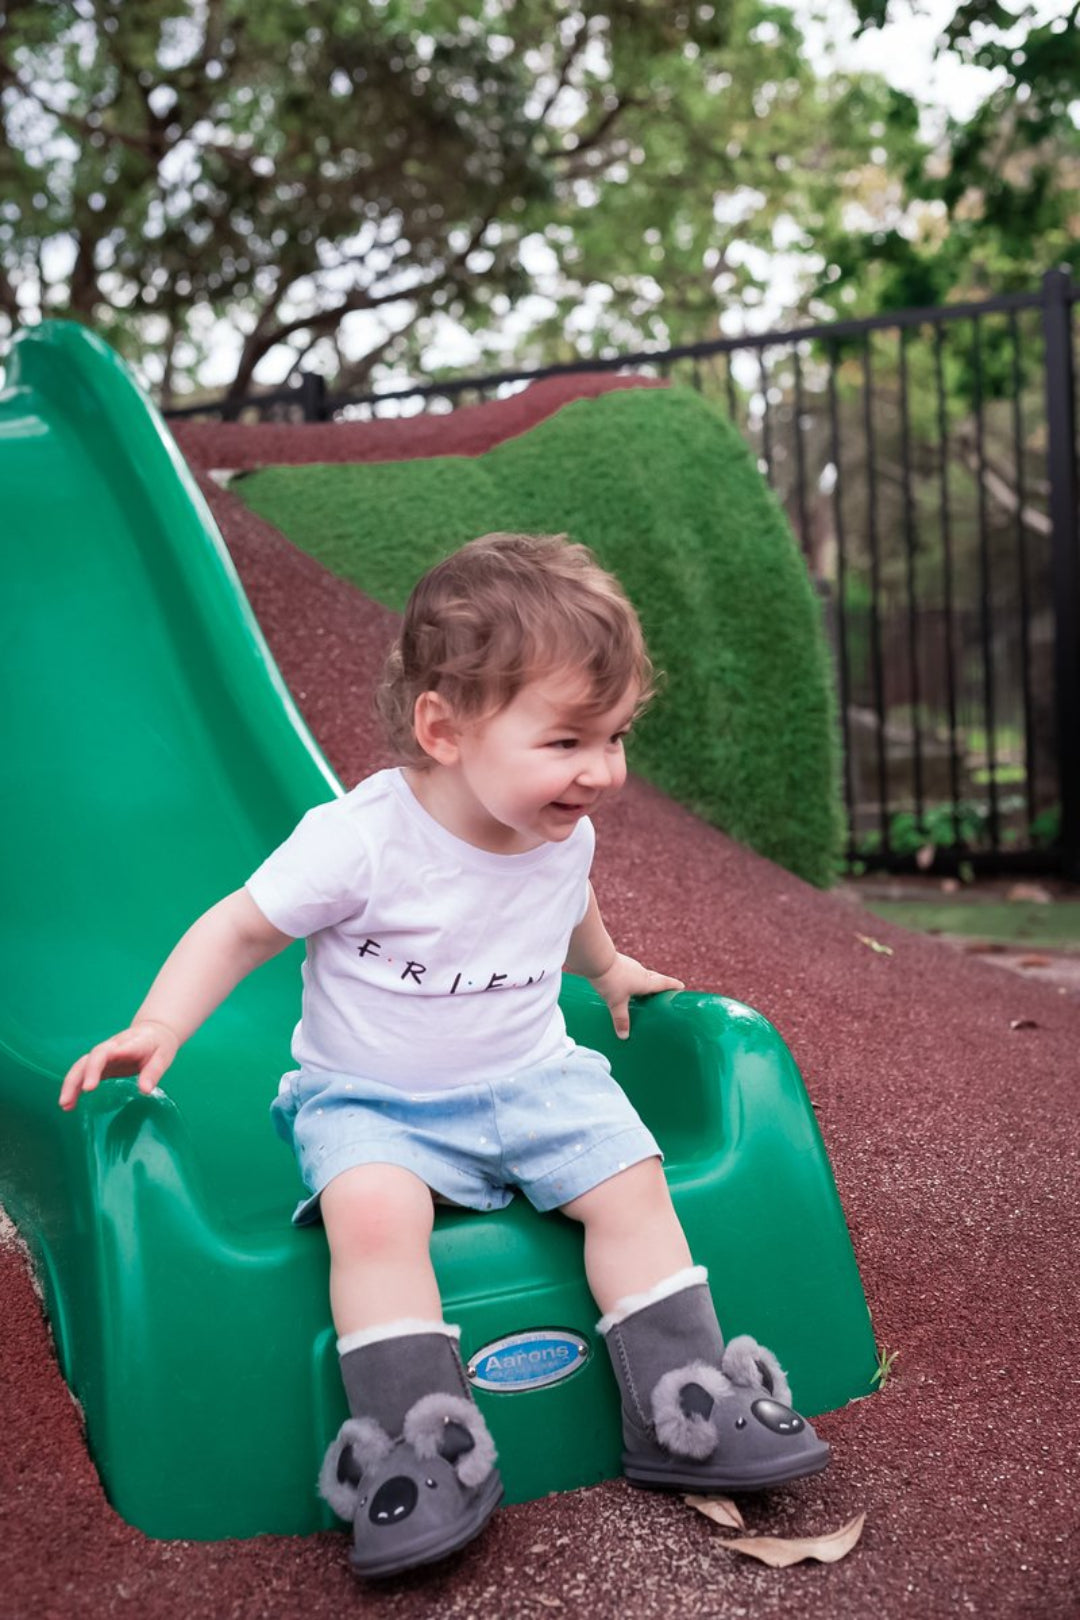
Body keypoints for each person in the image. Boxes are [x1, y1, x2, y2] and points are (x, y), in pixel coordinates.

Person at [59, 533, 828, 1579]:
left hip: (532, 1077)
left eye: (616, 737)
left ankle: (685, 1404)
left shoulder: (563, 830)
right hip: (374, 1101)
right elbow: (239, 927)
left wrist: (607, 971)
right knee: (371, 1216)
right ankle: (422, 1449)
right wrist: (161, 1023)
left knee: (633, 1182)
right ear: (445, 728)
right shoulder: (360, 841)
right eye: (568, 741)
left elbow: (567, 910)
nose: (602, 772)